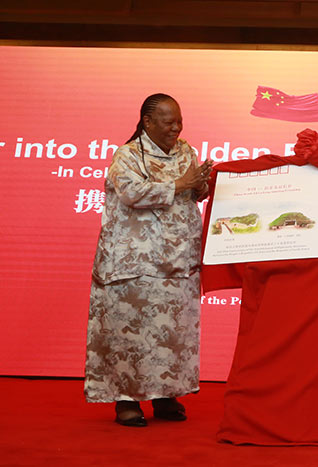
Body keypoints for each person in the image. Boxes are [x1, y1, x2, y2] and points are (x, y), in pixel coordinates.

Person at [84, 93, 213, 427]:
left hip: (177, 262)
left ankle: (165, 395)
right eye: (168, 122)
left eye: (179, 121)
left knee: (172, 333)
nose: (176, 128)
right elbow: (130, 193)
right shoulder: (127, 155)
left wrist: (201, 185)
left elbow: (191, 194)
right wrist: (180, 184)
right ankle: (126, 400)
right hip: (134, 263)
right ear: (147, 122)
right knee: (130, 333)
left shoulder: (186, 151)